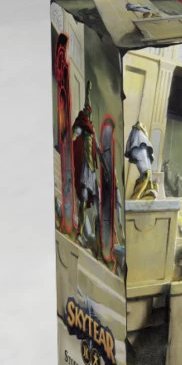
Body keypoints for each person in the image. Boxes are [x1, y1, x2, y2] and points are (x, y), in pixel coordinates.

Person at [71, 81, 98, 246]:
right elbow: (73, 137)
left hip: (91, 170)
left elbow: (97, 151)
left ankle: (89, 233)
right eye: (88, 112)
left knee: (90, 201)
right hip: (83, 169)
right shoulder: (82, 127)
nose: (89, 115)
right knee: (82, 201)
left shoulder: (91, 131)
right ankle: (80, 231)